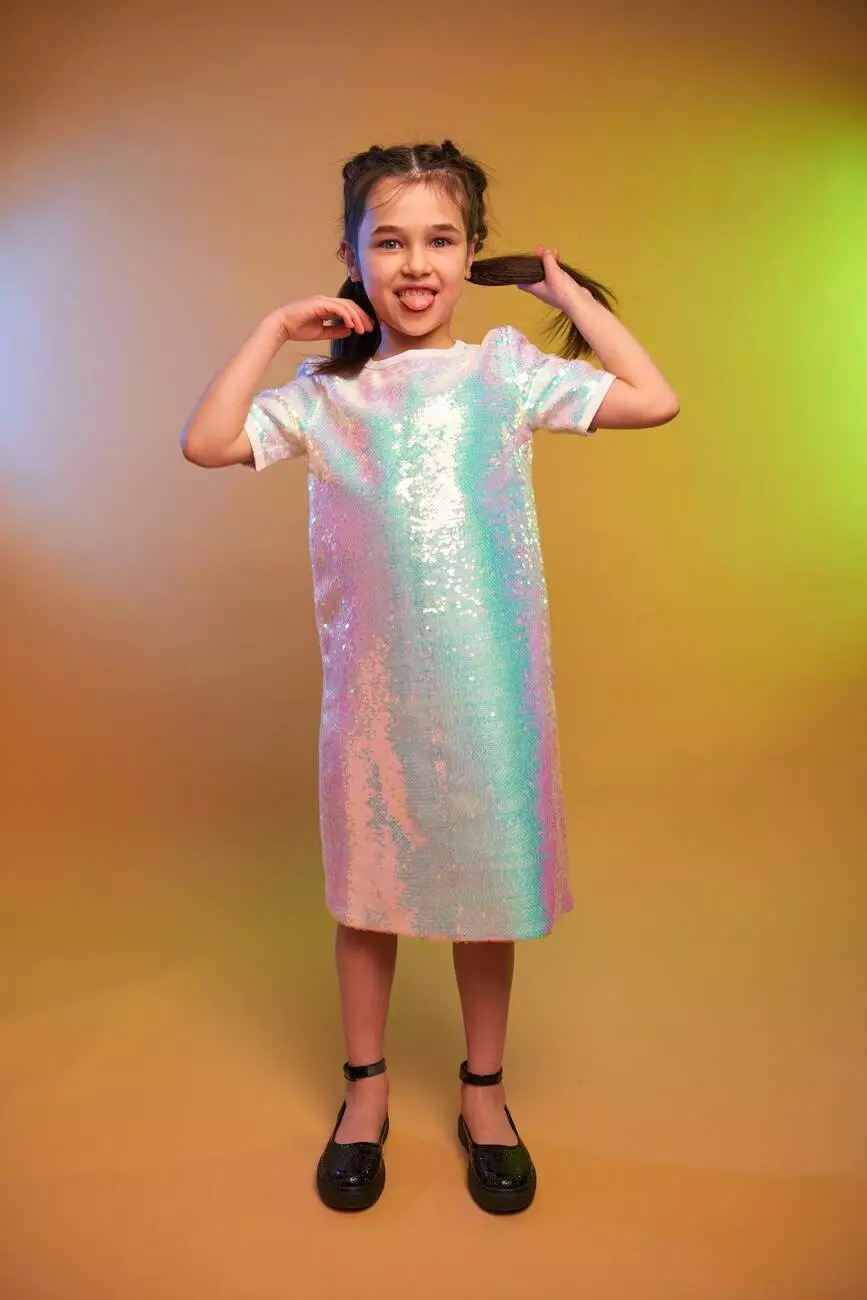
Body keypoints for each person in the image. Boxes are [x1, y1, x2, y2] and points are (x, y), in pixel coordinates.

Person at [180, 138, 679, 1216]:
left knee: (485, 895)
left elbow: (653, 398)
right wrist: (272, 330)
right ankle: (364, 1093)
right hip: (373, 695)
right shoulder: (327, 394)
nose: (416, 265)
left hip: (490, 690)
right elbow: (208, 442)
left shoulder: (503, 369)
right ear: (353, 256)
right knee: (368, 897)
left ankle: (483, 1095)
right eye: (390, 242)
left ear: (471, 251)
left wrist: (567, 298)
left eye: (441, 241)